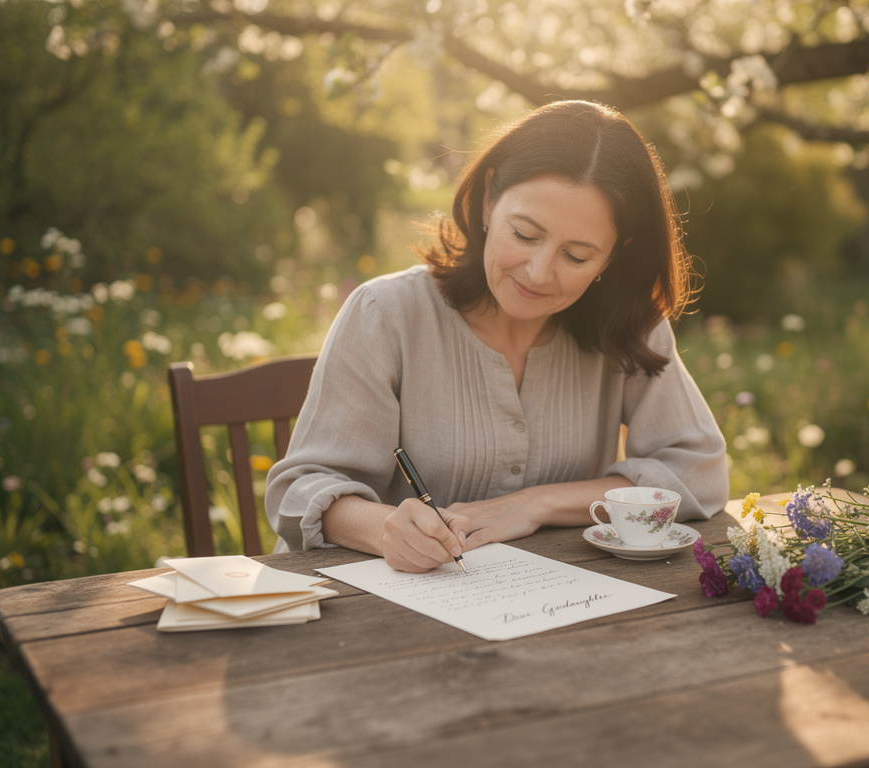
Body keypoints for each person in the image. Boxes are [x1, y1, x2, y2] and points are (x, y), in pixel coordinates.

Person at [265, 100, 729, 572]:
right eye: (525, 234)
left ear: (613, 255)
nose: (539, 272)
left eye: (577, 256)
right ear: (489, 200)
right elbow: (299, 489)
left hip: (563, 607)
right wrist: (384, 527)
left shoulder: (630, 324)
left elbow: (699, 472)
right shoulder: (384, 314)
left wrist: (535, 504)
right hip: (388, 611)